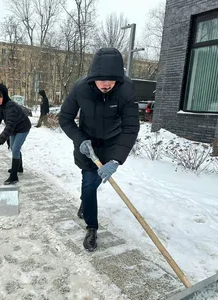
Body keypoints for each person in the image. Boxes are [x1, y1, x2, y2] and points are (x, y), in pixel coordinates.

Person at [58, 48, 140, 252]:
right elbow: (65, 118)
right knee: (88, 183)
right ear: (93, 77)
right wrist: (80, 140)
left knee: (93, 184)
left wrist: (116, 160)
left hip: (112, 144)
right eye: (102, 79)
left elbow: (131, 127)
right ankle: (92, 227)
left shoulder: (126, 90)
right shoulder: (80, 89)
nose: (107, 84)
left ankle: (85, 203)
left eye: (111, 80)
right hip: (87, 144)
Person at [0, 83, 31, 185]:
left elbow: (9, 126)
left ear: (4, 95)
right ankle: (19, 167)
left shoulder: (10, 106)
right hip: (14, 128)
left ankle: (14, 176)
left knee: (16, 149)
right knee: (13, 148)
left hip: (22, 127)